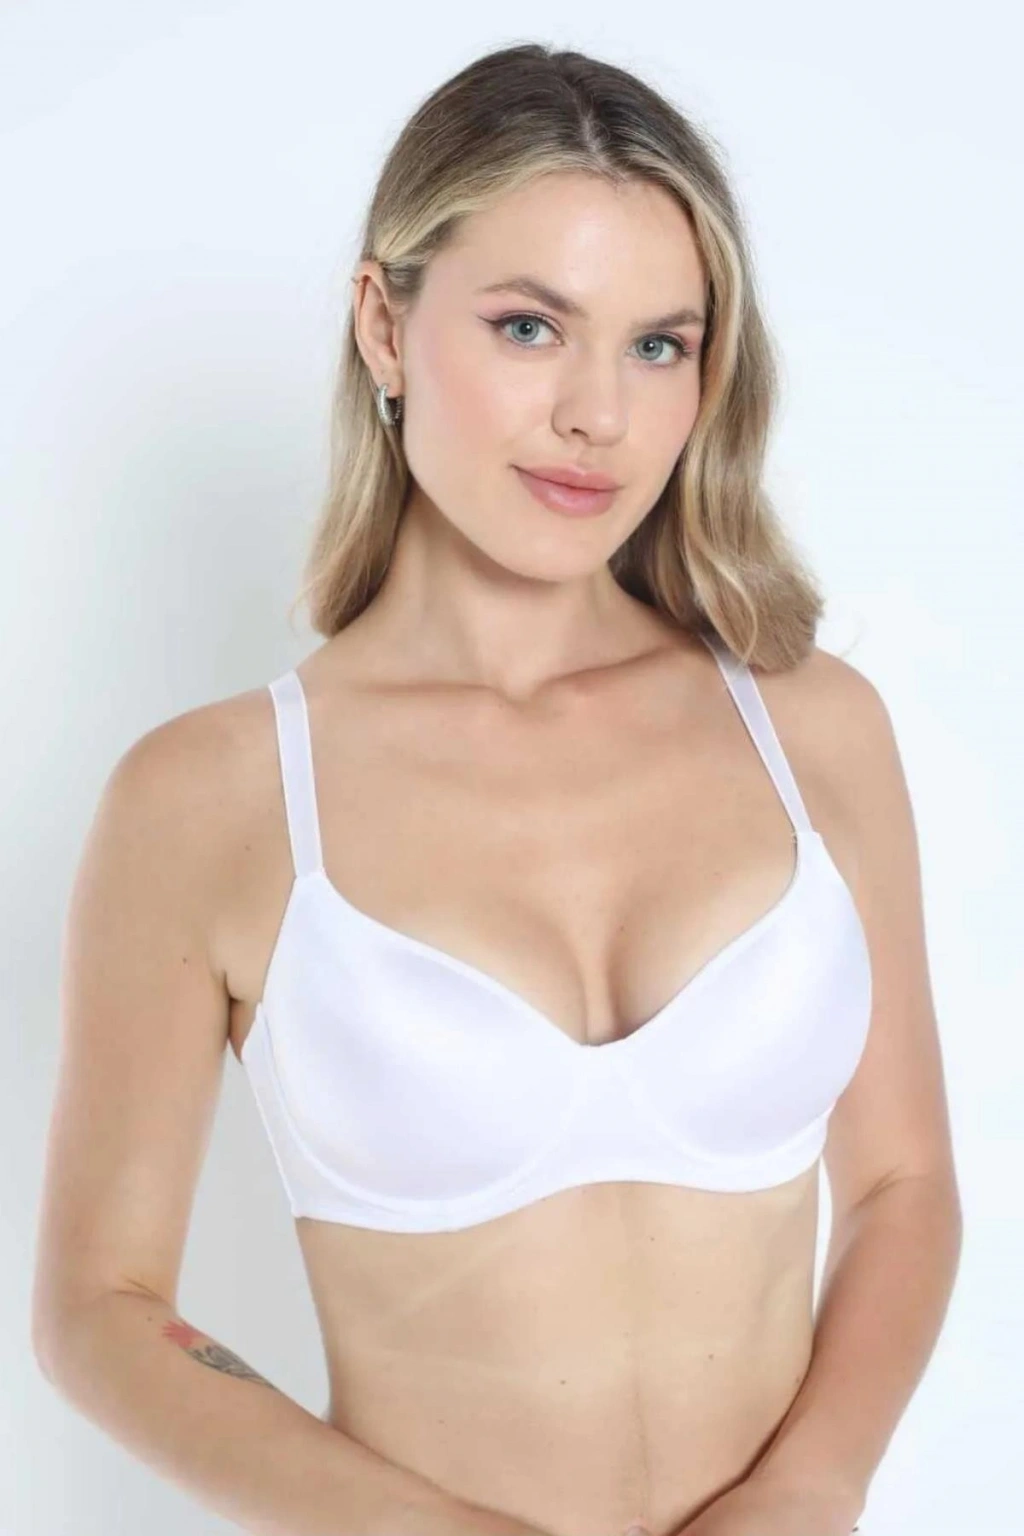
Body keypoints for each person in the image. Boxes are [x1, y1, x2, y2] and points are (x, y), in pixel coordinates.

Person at [31, 41, 961, 1536]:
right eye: (531, 327)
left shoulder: (810, 728)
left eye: (660, 345)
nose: (599, 413)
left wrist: (812, 1485)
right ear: (383, 326)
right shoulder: (215, 798)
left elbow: (906, 1184)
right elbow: (100, 1307)